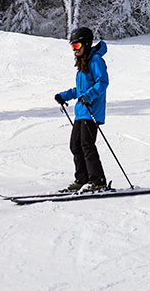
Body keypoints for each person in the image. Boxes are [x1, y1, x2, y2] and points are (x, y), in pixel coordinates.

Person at [53, 27, 109, 192]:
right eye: (72, 47)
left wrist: (89, 96)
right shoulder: (84, 62)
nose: (74, 50)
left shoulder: (96, 60)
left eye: (77, 46)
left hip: (91, 111)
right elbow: (79, 89)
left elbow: (102, 82)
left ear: (86, 43)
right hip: (81, 111)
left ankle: (98, 181)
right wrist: (64, 95)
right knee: (75, 145)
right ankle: (82, 179)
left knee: (87, 145)